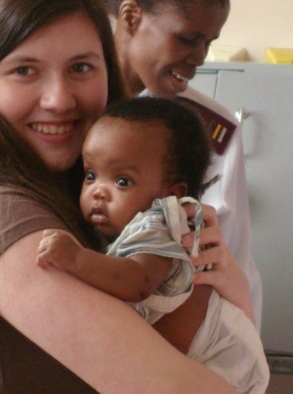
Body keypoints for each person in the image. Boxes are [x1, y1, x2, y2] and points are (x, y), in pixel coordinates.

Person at [0, 0, 249, 392]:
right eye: (24, 70)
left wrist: (220, 279)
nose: (59, 99)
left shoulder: (81, 198)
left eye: (80, 68)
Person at [37, 96, 269, 393]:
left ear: (170, 195)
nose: (98, 192)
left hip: (224, 363)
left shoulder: (160, 225)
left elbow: (139, 280)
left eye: (122, 182)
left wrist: (75, 258)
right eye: (91, 175)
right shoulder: (127, 227)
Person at [104, 0, 264, 329]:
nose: (200, 58)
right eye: (188, 39)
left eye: (209, 43)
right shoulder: (68, 113)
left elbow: (230, 260)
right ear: (132, 17)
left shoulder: (206, 131)